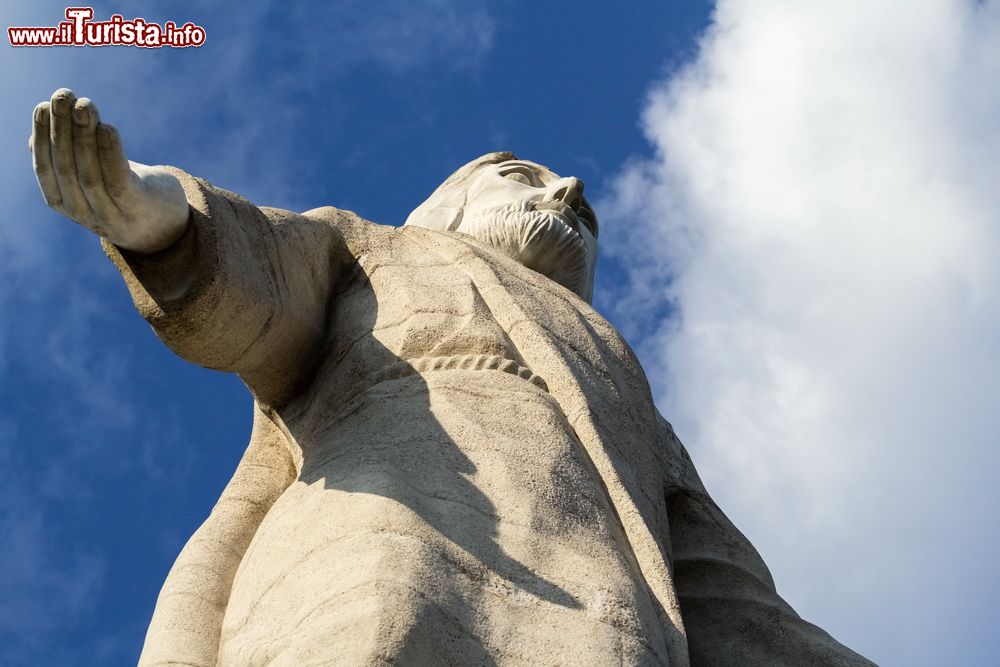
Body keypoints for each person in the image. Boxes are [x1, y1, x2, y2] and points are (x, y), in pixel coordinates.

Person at [31, 88, 873, 666]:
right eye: (523, 178)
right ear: (449, 204)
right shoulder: (377, 247)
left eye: (575, 201)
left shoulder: (621, 382)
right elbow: (265, 279)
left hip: (610, 616)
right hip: (378, 536)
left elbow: (723, 585)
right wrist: (159, 218)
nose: (568, 191)